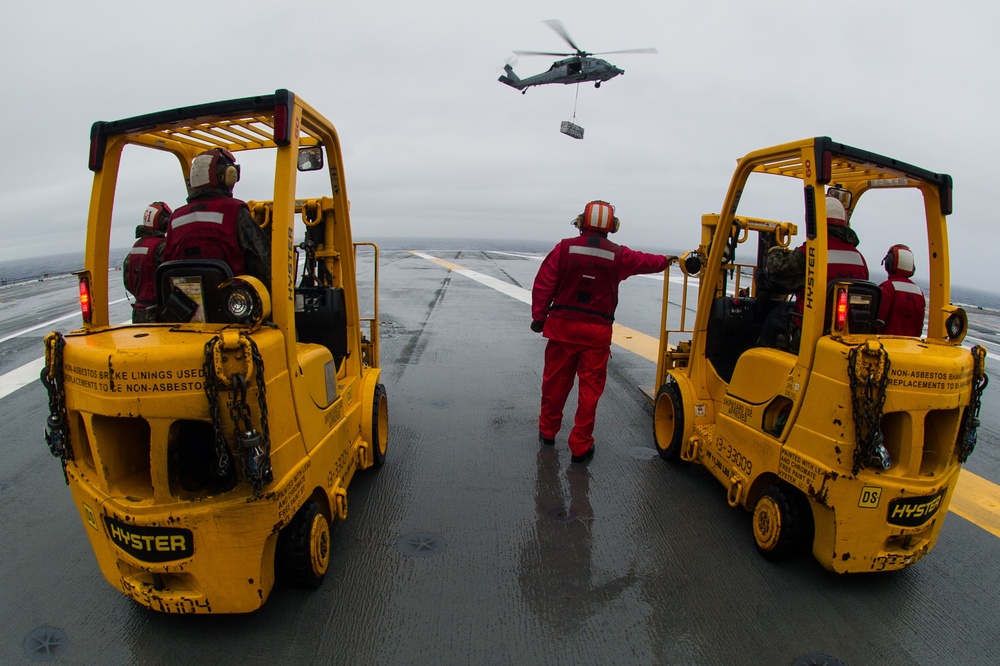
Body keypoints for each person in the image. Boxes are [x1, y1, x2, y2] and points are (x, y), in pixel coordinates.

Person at [531, 200, 675, 464]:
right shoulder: (619, 255)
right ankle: (580, 447)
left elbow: (544, 284)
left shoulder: (564, 248)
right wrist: (669, 260)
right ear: (613, 227)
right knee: (589, 393)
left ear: (581, 222)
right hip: (596, 336)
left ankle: (547, 432)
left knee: (554, 385)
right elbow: (648, 262)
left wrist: (539, 318)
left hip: (562, 329)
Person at [758, 195, 868, 349]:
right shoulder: (859, 259)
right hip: (846, 332)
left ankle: (758, 362)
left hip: (808, 326)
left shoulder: (811, 252)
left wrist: (775, 251)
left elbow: (778, 269)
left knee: (774, 316)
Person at [163, 148, 270, 285]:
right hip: (230, 300)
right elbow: (262, 259)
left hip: (183, 302)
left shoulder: (175, 218)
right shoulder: (234, 210)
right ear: (228, 174)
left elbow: (166, 261)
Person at [123, 201, 172, 323]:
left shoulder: (137, 246)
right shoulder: (161, 247)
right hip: (157, 314)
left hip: (138, 313)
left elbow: (127, 280)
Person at [878, 244, 925, 336]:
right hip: (911, 346)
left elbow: (878, 322)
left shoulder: (887, 288)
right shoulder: (919, 292)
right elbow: (919, 327)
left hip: (886, 345)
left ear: (889, 264)